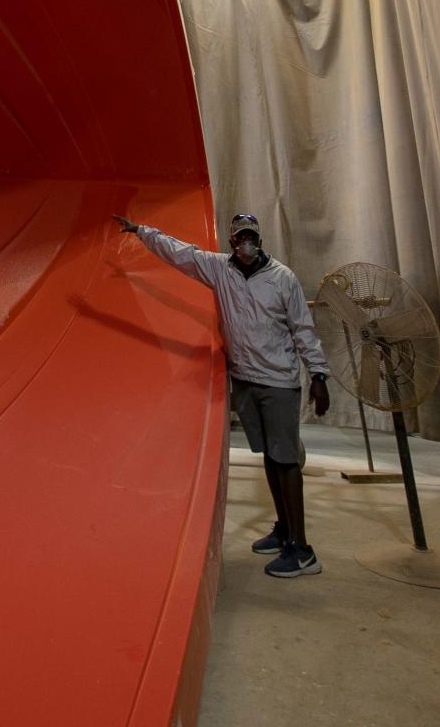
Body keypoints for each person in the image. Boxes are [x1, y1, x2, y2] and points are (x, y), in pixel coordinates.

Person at [113, 209, 330, 579]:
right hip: (245, 380)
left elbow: (303, 328)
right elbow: (180, 253)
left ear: (259, 239)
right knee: (270, 458)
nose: (246, 243)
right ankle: (283, 529)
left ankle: (303, 549)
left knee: (287, 459)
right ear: (231, 241)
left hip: (279, 381)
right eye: (240, 237)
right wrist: (142, 232)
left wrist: (319, 374)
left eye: (251, 236)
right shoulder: (220, 270)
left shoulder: (282, 278)